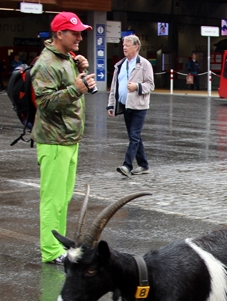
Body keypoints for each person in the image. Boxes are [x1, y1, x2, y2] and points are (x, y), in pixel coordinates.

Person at [31, 12, 95, 264]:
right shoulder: (46, 64)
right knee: (52, 199)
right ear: (59, 33)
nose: (80, 36)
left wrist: (80, 70)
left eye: (81, 32)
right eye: (75, 32)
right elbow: (45, 103)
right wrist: (75, 89)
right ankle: (50, 251)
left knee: (64, 198)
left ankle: (58, 244)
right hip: (54, 141)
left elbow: (68, 91)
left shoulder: (66, 59)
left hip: (69, 139)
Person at [108, 35, 155, 177]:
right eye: (123, 45)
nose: (124, 47)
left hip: (139, 106)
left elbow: (151, 85)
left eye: (127, 45)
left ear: (136, 47)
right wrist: (111, 104)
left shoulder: (144, 64)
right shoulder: (120, 65)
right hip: (125, 105)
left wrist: (137, 86)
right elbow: (114, 86)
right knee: (135, 136)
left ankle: (127, 165)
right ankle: (144, 165)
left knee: (134, 136)